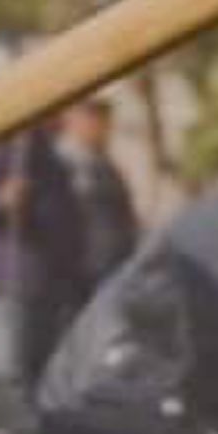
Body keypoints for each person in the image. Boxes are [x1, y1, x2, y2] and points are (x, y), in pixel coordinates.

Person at [0, 124, 84, 386]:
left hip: (48, 282)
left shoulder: (46, 151)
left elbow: (66, 213)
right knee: (8, 372)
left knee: (42, 372)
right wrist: (0, 200)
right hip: (10, 278)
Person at [57, 98, 141, 298]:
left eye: (105, 118)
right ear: (72, 120)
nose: (104, 126)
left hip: (116, 259)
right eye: (94, 117)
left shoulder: (105, 162)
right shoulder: (63, 162)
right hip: (85, 265)